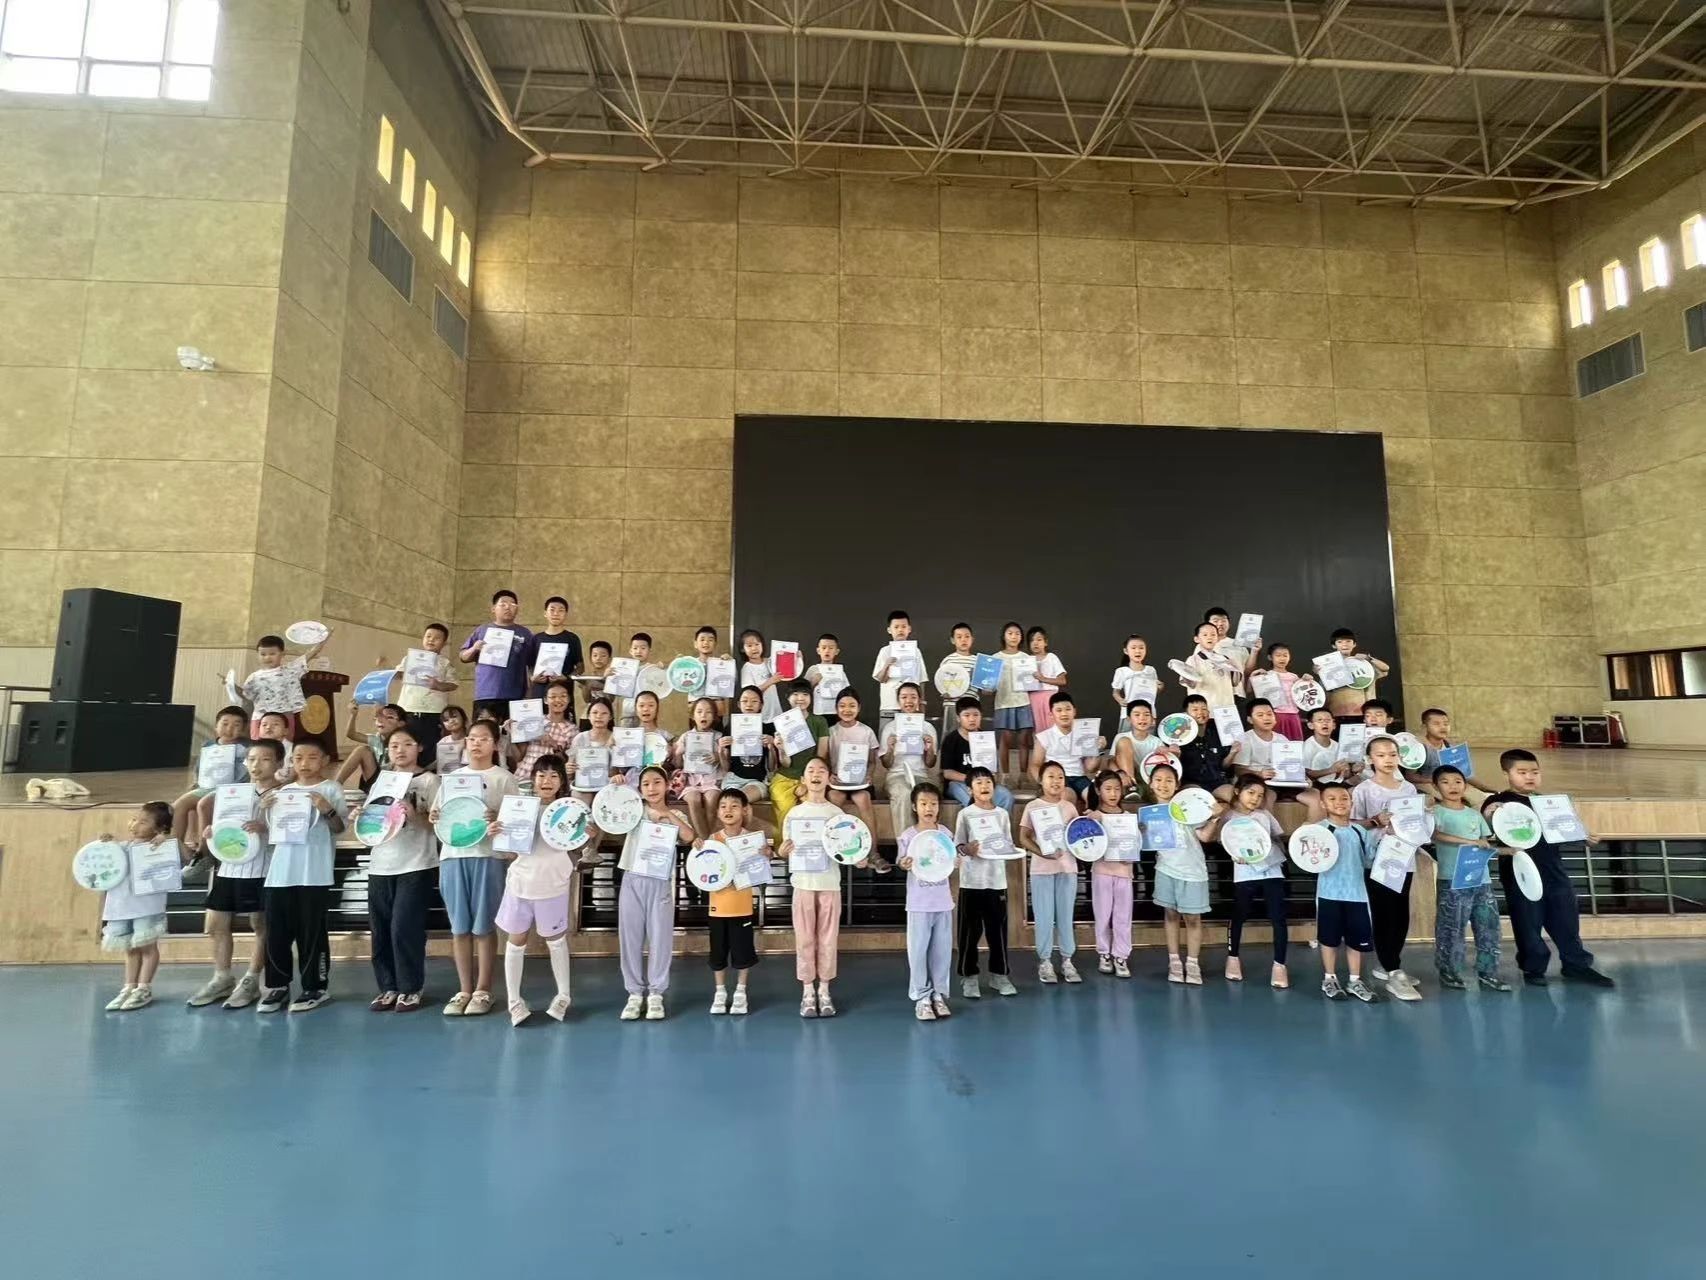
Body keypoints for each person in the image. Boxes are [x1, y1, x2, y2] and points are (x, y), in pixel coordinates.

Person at [1495, 748, 1614, 987]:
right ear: (1507, 774)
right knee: (1527, 921)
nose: (1529, 777)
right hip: (1521, 872)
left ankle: (1576, 964)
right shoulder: (1500, 802)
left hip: (1553, 869)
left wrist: (1583, 837)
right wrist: (1493, 812)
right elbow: (1490, 817)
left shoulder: (1547, 803)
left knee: (1566, 918)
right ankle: (1533, 968)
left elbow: (1562, 829)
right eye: (1522, 772)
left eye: (1534, 772)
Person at [185, 738, 280, 1009]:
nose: (257, 765)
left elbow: (291, 830)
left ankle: (252, 979)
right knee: (216, 923)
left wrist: (266, 827)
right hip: (229, 865)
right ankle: (222, 977)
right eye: (252, 759)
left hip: (262, 868)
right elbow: (207, 808)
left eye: (265, 759)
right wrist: (211, 832)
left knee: (260, 924)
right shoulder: (233, 792)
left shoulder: (283, 794)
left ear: (278, 763)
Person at [433, 721, 519, 1016]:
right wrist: (435, 815)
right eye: (471, 739)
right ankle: (463, 990)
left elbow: (516, 822)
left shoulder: (504, 779)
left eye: (483, 739)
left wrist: (499, 818)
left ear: (495, 744)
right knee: (459, 927)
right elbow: (439, 815)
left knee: (483, 926)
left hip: (487, 856)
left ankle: (483, 990)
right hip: (453, 856)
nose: (476, 743)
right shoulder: (452, 779)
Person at [256, 740, 347, 1013]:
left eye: (312, 757)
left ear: (325, 760)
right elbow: (272, 831)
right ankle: (278, 987)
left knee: (312, 933)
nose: (304, 763)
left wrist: (326, 808)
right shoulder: (283, 792)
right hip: (280, 873)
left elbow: (338, 827)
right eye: (298, 758)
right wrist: (265, 809)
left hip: (314, 873)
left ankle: (315, 987)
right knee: (277, 933)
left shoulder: (331, 788)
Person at [359, 726, 440, 1013]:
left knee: (404, 927)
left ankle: (411, 987)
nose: (400, 750)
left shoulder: (430, 781)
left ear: (419, 747)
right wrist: (361, 817)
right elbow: (372, 821)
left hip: (416, 863)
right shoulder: (381, 781)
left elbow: (438, 825)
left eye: (407, 744)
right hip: (381, 865)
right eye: (394, 745)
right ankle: (388, 987)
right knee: (380, 930)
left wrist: (414, 814)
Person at [497, 754, 577, 1025]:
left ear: (562, 781)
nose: (547, 781)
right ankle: (514, 1001)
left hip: (553, 886)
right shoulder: (519, 809)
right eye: (541, 775)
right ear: (532, 779)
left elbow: (577, 847)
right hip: (520, 885)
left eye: (554, 775)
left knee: (556, 941)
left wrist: (586, 835)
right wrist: (499, 834)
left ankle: (564, 995)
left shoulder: (570, 810)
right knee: (515, 942)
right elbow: (509, 853)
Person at [616, 766, 695, 1021]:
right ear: (640, 789)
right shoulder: (634, 811)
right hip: (632, 878)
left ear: (667, 785)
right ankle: (634, 993)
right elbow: (611, 809)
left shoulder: (675, 814)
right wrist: (616, 785)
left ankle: (656, 993)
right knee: (630, 938)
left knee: (660, 938)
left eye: (657, 782)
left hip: (660, 882)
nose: (652, 788)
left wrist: (667, 815)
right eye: (646, 784)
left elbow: (689, 836)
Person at [1351, 735, 1422, 1001]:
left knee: (1401, 912)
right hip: (1377, 860)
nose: (1388, 760)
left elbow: (1414, 821)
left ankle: (1389, 963)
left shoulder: (1409, 789)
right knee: (1384, 913)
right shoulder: (1364, 790)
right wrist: (1375, 821)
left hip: (1404, 857)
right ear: (1370, 759)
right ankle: (1393, 970)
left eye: (1392, 754)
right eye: (1381, 755)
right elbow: (1352, 823)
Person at [1203, 773, 1289, 989]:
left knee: (1278, 918)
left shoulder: (1265, 815)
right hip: (1244, 873)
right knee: (1239, 915)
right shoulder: (1228, 816)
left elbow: (1277, 838)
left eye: (1260, 795)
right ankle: (1232, 958)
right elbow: (1219, 840)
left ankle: (1279, 965)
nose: (1255, 799)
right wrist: (1234, 852)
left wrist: (1276, 849)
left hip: (1272, 871)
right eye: (1251, 793)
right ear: (1237, 792)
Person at [1429, 766, 1510, 992]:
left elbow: (1484, 844)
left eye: (1457, 781)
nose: (1452, 786)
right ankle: (1450, 971)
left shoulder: (1474, 814)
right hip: (1452, 880)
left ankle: (1488, 972)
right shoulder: (1435, 813)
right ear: (1435, 786)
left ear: (1465, 785)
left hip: (1481, 880)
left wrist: (1507, 850)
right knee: (1451, 928)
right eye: (1445, 782)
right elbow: (1434, 835)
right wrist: (1468, 842)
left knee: (1488, 927)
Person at [100, 801, 181, 1011]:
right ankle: (129, 986)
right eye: (134, 819)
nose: (135, 825)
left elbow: (183, 853)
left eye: (143, 822)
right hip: (122, 905)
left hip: (147, 906)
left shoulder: (160, 846)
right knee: (130, 947)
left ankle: (143, 987)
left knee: (147, 946)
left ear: (159, 828)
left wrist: (166, 840)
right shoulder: (123, 847)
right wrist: (107, 845)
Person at [779, 757, 844, 1018]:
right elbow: (785, 849)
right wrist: (782, 851)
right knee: (805, 938)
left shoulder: (837, 814)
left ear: (829, 778)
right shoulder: (794, 814)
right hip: (803, 883)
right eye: (811, 770)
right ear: (803, 779)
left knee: (828, 938)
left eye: (821, 770)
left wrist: (857, 857)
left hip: (830, 883)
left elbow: (845, 849)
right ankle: (807, 991)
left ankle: (824, 990)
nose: (816, 774)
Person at [953, 767, 1017, 999]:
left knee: (997, 932)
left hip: (996, 881)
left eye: (988, 782)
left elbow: (1008, 843)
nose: (984, 786)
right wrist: (967, 849)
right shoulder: (965, 814)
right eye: (978, 782)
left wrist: (1007, 849)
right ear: (970, 790)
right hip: (971, 882)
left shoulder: (1002, 814)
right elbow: (958, 845)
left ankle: (999, 975)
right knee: (969, 933)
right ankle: (969, 977)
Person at [1145, 763, 1210, 985]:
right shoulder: (1148, 814)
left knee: (1193, 918)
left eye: (1169, 780)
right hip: (1165, 870)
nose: (1163, 784)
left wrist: (1214, 818)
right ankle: (1174, 961)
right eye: (1158, 780)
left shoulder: (1188, 807)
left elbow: (1205, 836)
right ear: (1150, 784)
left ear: (1177, 785)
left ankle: (1192, 963)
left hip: (1193, 872)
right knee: (1171, 915)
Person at [1313, 781, 1378, 1002]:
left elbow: (1369, 860)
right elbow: (1309, 859)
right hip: (1328, 894)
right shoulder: (1318, 830)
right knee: (1329, 939)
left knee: (1355, 940)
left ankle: (1355, 980)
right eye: (1332, 798)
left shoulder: (1359, 831)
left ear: (1351, 802)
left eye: (1344, 798)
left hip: (1357, 895)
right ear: (1323, 804)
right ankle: (1329, 978)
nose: (1339, 802)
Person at [897, 781, 955, 1020]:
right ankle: (922, 997)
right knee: (918, 952)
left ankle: (939, 995)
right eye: (923, 803)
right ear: (914, 807)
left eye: (933, 803)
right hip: (919, 904)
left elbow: (952, 861)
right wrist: (904, 863)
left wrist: (957, 861)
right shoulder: (908, 836)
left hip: (943, 902)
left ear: (939, 807)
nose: (929, 808)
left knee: (942, 952)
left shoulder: (945, 834)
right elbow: (902, 862)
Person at [1019, 761, 1081, 984]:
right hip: (1041, 870)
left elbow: (1078, 836)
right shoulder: (1032, 806)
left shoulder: (1070, 807)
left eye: (1060, 777)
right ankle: (1045, 961)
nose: (1056, 781)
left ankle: (1067, 960)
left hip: (1067, 868)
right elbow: (1023, 837)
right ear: (1041, 781)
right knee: (1044, 916)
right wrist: (1042, 853)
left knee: (1065, 915)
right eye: (1051, 776)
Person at [707, 789, 766, 1015]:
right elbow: (704, 870)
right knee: (718, 953)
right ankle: (720, 991)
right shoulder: (713, 840)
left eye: (734, 805)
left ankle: (741, 991)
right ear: (717, 812)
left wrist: (766, 856)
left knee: (743, 952)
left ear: (744, 810)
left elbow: (760, 870)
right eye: (723, 806)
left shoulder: (753, 840)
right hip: (717, 908)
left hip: (742, 907)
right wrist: (699, 851)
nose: (728, 810)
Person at [820, 688, 886, 870]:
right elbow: (824, 759)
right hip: (837, 782)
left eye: (852, 706)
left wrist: (869, 774)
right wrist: (830, 775)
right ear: (836, 709)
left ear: (859, 708)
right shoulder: (831, 731)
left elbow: (872, 762)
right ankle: (834, 849)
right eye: (842, 706)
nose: (847, 710)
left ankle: (873, 852)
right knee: (834, 799)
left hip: (860, 782)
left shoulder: (866, 732)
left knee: (863, 799)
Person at [174, 704, 249, 859]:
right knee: (179, 804)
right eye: (225, 723)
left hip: (231, 789)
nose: (230, 729)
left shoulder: (247, 747)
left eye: (236, 725)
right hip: (207, 787)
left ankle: (203, 852)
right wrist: (196, 781)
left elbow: (247, 773)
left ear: (243, 729)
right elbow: (200, 767)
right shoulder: (208, 746)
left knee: (203, 804)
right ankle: (176, 846)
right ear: (216, 726)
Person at [1084, 770, 1135, 978]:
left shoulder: (1129, 818)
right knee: (1102, 915)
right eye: (1108, 789)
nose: (1113, 793)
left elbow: (1135, 845)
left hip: (1124, 872)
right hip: (1102, 871)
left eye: (1117, 789)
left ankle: (1121, 956)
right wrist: (1090, 822)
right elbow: (1084, 846)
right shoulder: (1093, 816)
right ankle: (1104, 953)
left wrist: (1131, 854)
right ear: (1098, 790)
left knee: (1123, 916)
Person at [460, 590, 533, 721]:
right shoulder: (482, 630)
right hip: (486, 694)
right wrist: (474, 648)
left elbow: (532, 664)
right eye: (503, 604)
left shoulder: (525, 633)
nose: (508, 607)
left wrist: (529, 693)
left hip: (515, 695)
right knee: (484, 731)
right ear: (493, 609)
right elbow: (463, 656)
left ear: (517, 609)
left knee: (512, 732)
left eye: (512, 604)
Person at [880, 681, 939, 845]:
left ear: (919, 700)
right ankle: (905, 847)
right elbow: (886, 764)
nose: (909, 701)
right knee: (905, 793)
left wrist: (930, 749)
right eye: (904, 697)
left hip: (921, 775)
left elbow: (930, 763)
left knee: (928, 796)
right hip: (896, 775)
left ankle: (928, 844)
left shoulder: (927, 727)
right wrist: (890, 748)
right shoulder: (890, 728)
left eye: (913, 697)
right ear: (898, 701)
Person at [239, 629, 326, 738]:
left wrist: (324, 637)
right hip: (260, 717)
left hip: (285, 715)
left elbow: (312, 653)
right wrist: (231, 687)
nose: (267, 657)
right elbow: (246, 695)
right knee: (259, 746)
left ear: (282, 653)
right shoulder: (254, 677)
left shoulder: (291, 669)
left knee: (285, 745)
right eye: (263, 654)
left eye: (272, 653)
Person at [391, 621, 458, 754]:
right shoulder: (409, 658)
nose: (431, 640)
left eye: (437, 638)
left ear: (444, 643)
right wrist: (388, 669)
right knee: (407, 744)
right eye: (428, 636)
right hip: (408, 709)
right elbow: (398, 675)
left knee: (429, 747)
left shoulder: (445, 663)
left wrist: (438, 685)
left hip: (433, 712)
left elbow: (454, 684)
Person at [770, 679, 828, 826]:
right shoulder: (783, 722)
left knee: (812, 813)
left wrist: (806, 783)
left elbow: (821, 756)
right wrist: (781, 749)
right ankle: (783, 842)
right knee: (785, 815)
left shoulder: (819, 721)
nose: (800, 698)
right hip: (785, 778)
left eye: (805, 694)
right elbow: (786, 764)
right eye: (795, 694)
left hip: (811, 777)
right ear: (788, 697)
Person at [940, 696, 1014, 811]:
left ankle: (999, 822)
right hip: (958, 783)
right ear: (958, 718)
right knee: (974, 800)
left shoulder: (986, 738)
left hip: (983, 782)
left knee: (1006, 796)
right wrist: (972, 780)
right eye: (966, 715)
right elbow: (948, 773)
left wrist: (989, 778)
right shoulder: (951, 740)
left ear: (981, 716)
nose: (972, 719)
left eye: (976, 715)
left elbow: (993, 770)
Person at [1029, 690, 1100, 806]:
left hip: (1079, 777)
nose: (1064, 714)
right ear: (1051, 714)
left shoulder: (1083, 734)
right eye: (1059, 710)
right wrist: (1044, 783)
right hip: (1058, 779)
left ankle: (1088, 817)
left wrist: (1097, 749)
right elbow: (1035, 765)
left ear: (1074, 711)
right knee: (1067, 797)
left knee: (1095, 797)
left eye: (1068, 709)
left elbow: (1090, 767)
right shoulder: (1044, 737)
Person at [675, 696, 726, 838]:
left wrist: (718, 756)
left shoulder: (719, 737)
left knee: (712, 798)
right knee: (693, 799)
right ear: (693, 716)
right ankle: (705, 840)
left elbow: (727, 763)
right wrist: (678, 754)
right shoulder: (686, 737)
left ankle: (707, 839)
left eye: (708, 712)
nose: (704, 715)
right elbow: (678, 765)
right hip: (691, 782)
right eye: (699, 712)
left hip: (712, 781)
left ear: (714, 717)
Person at [524, 595, 584, 716]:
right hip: (539, 693)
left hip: (563, 695)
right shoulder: (536, 639)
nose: (556, 613)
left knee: (564, 726)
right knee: (539, 725)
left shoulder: (572, 638)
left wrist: (566, 678)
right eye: (552, 610)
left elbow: (580, 667)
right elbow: (530, 666)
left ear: (566, 614)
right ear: (545, 613)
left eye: (561, 610)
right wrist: (532, 678)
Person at [992, 621, 1032, 785]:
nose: (1014, 636)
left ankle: (1023, 775)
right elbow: (988, 686)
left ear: (1021, 637)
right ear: (1004, 636)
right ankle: (1006, 775)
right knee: (1005, 740)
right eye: (1010, 633)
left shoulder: (1026, 658)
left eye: (1017, 633)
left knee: (1024, 740)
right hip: (1003, 703)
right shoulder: (995, 658)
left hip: (1023, 702)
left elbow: (1033, 682)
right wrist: (987, 687)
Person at [513, 680, 576, 783]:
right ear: (545, 700)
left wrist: (554, 746)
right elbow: (519, 756)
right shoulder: (533, 721)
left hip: (549, 780)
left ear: (569, 699)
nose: (558, 700)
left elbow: (566, 763)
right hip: (525, 774)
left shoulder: (572, 729)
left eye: (563, 696)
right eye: (553, 697)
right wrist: (514, 732)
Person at [871, 609, 923, 735]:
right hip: (890, 705)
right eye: (896, 627)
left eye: (903, 627)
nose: (900, 630)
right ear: (889, 630)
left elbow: (921, 679)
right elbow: (881, 679)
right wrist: (887, 665)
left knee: (910, 739)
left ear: (909, 629)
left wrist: (921, 705)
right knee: (887, 738)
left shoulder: (916, 651)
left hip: (911, 706)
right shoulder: (884, 651)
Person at [1325, 627, 1389, 723]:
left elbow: (1385, 668)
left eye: (1348, 641)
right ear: (1334, 645)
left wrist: (1369, 658)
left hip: (1362, 713)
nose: (1344, 644)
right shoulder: (1328, 666)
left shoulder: (1363, 664)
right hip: (1336, 713)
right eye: (1340, 642)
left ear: (1354, 644)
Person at [1176, 693, 1232, 802]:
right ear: (1185, 714)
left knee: (1236, 798)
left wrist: (1233, 752)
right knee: (1200, 799)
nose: (1200, 712)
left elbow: (1224, 765)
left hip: (1216, 782)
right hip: (1191, 783)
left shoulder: (1219, 731)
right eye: (1195, 709)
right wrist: (1175, 754)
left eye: (1204, 709)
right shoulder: (1177, 736)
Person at [1297, 707, 1350, 822]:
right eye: (1320, 720)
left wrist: (1351, 771)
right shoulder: (1307, 746)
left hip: (1336, 784)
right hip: (1316, 785)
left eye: (1328, 720)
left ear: (1334, 725)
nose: (1324, 723)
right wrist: (1331, 770)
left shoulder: (1338, 746)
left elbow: (1343, 774)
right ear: (1311, 725)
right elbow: (1307, 773)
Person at [719, 686, 771, 804]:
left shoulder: (768, 729)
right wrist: (721, 751)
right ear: (739, 704)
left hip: (757, 780)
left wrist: (771, 746)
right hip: (733, 779)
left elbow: (772, 767)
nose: (749, 704)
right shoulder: (730, 727)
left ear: (761, 705)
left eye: (754, 701)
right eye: (745, 701)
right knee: (730, 802)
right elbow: (726, 768)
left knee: (738, 801)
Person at [336, 701, 404, 788]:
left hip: (395, 783)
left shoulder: (404, 742)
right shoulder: (377, 739)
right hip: (377, 782)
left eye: (389, 717)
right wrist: (353, 715)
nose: (381, 720)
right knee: (362, 750)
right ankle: (334, 786)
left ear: (401, 724)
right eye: (379, 717)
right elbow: (351, 734)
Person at [1178, 620, 1242, 711]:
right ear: (1196, 639)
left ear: (1218, 638)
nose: (1209, 637)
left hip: (1226, 708)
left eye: (1213, 635)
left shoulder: (1226, 659)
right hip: (1205, 710)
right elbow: (1191, 685)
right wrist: (1183, 672)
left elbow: (1235, 683)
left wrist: (1235, 667)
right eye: (1205, 635)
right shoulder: (1192, 660)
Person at [1110, 700, 1171, 792]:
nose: (1142, 718)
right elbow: (1110, 762)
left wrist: (1170, 752)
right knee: (1124, 741)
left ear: (1152, 719)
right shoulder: (1120, 737)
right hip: (1126, 779)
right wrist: (1120, 773)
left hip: (1148, 779)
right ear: (1129, 719)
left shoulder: (1156, 742)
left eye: (1146, 715)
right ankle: (1131, 787)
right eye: (1137, 715)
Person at [1249, 642, 1306, 740]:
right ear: (1270, 657)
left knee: (1295, 744)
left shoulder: (1294, 677)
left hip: (1293, 715)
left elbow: (1303, 695)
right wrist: (1253, 676)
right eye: (1278, 655)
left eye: (1285, 655)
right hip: (1276, 715)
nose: (1282, 658)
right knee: (1277, 743)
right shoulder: (1266, 676)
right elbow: (1249, 690)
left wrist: (1306, 680)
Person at [1023, 626, 1067, 734]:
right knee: (1037, 730)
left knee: (1053, 729)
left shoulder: (1051, 657)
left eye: (1039, 640)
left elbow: (1062, 680)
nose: (1035, 643)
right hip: (1032, 698)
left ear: (1045, 642)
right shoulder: (1026, 660)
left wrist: (1043, 679)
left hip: (1050, 697)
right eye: (1032, 640)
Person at [1109, 633, 1161, 715]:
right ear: (1126, 651)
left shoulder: (1151, 670)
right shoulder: (1122, 671)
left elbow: (1153, 692)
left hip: (1148, 713)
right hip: (1129, 713)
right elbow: (1115, 692)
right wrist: (1120, 700)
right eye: (1133, 648)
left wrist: (1160, 687)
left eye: (1141, 648)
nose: (1138, 651)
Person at [617, 633, 662, 726]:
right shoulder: (623, 669)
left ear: (649, 650)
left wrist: (659, 671)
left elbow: (661, 686)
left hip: (647, 713)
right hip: (628, 712)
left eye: (643, 648)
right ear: (630, 651)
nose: (639, 651)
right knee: (626, 734)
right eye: (635, 648)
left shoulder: (653, 669)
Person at [738, 628, 784, 720]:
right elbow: (749, 693)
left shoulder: (769, 662)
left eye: (757, 644)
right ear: (743, 649)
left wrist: (797, 658)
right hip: (760, 715)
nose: (754, 648)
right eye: (749, 646)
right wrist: (770, 681)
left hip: (776, 713)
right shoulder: (747, 668)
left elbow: (788, 669)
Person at [805, 633, 846, 718]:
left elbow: (846, 691)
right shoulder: (813, 669)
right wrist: (813, 682)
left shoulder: (839, 671)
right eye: (824, 648)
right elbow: (803, 691)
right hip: (818, 712)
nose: (827, 651)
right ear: (818, 650)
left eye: (831, 648)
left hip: (836, 712)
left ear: (837, 651)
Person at [435, 705, 470, 775]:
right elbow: (440, 763)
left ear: (463, 718)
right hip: (446, 777)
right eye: (446, 720)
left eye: (454, 716)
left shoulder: (471, 740)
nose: (451, 721)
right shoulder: (443, 741)